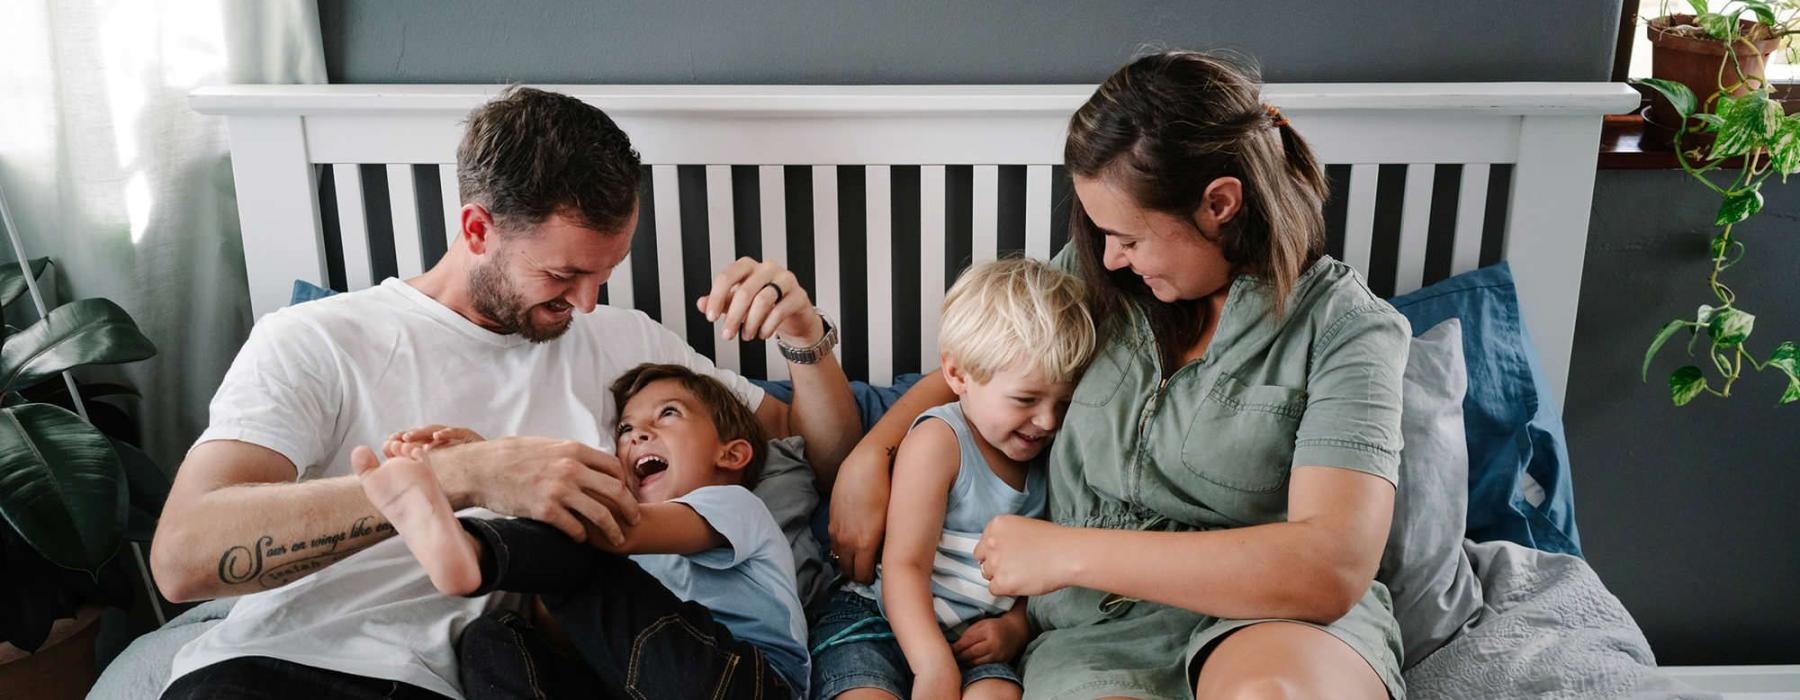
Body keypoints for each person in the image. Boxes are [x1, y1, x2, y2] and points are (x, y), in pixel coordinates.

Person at [152, 86, 860, 699]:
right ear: (476, 228)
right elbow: (183, 557)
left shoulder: (628, 344)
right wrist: (463, 477)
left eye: (604, 274)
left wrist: (805, 333)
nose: (586, 304)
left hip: (469, 678)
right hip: (283, 665)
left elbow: (818, 454)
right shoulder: (319, 339)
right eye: (562, 276)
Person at [826, 51, 1410, 700]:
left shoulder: (1345, 331)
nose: (1108, 256)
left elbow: (1330, 569)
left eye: (1129, 237)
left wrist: (1063, 553)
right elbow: (975, 370)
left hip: (1270, 615)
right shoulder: (1098, 276)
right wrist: (870, 454)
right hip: (1095, 632)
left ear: (1219, 204)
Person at [357, 363, 810, 699]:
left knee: (581, 545)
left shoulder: (735, 504)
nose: (637, 435)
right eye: (626, 428)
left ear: (731, 456)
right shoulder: (628, 571)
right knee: (495, 638)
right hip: (637, 685)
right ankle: (471, 552)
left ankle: (474, 552)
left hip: (746, 683)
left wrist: (498, 470)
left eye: (668, 414)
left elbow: (619, 532)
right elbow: (570, 622)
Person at [810, 259, 1096, 700]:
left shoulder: (1053, 455)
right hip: (881, 618)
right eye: (1026, 399)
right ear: (958, 375)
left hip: (975, 635)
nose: (1046, 420)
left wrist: (1015, 627)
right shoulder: (939, 441)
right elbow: (905, 566)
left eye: (1063, 402)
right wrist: (931, 664)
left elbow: (1041, 570)